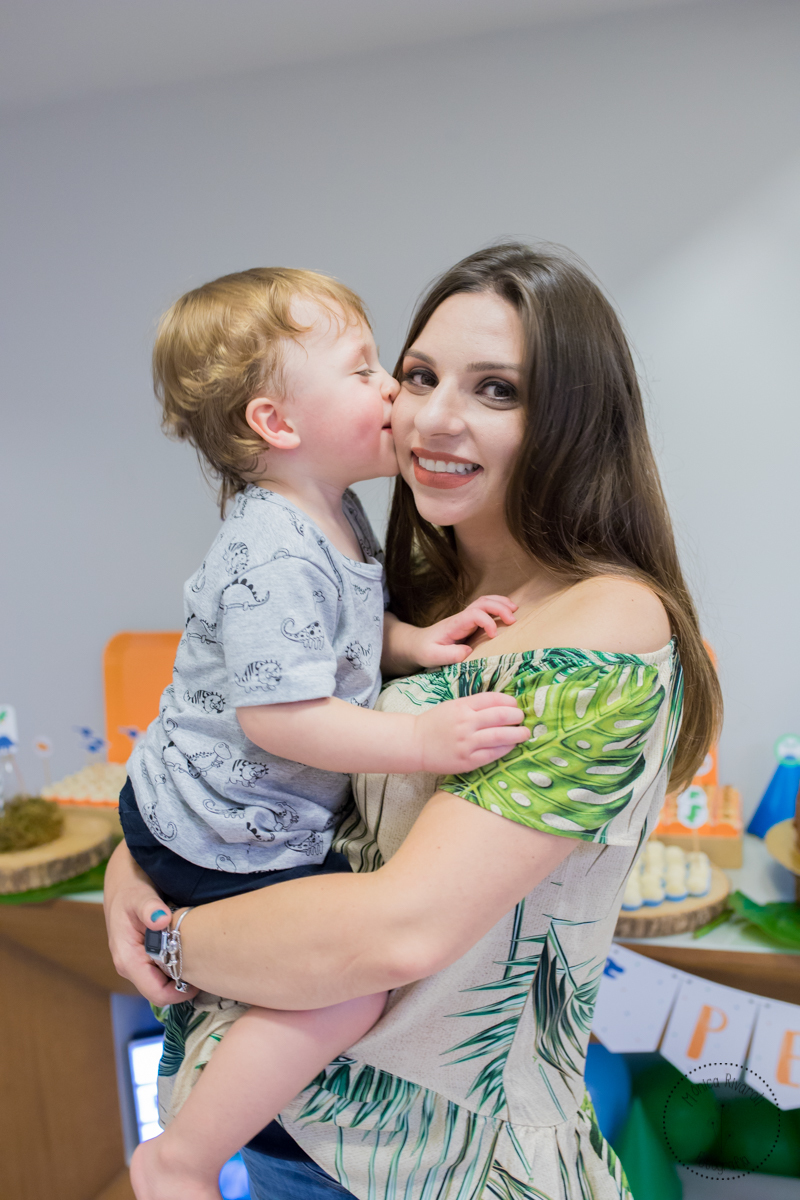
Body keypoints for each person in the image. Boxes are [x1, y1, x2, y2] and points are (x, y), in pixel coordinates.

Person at [105, 244, 721, 1200]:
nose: (430, 414)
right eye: (418, 374)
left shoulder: (607, 621)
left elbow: (395, 934)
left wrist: (164, 934)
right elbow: (223, 736)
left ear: (571, 418)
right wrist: (129, 864)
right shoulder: (411, 586)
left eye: (497, 390)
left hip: (437, 1165)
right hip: (291, 1133)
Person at [121, 266, 530, 1200]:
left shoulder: (333, 514)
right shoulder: (269, 541)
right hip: (216, 826)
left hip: (233, 808)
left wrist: (414, 643)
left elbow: (330, 639)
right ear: (278, 424)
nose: (393, 390)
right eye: (364, 371)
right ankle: (179, 1158)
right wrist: (425, 744)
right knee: (347, 989)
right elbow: (282, 715)